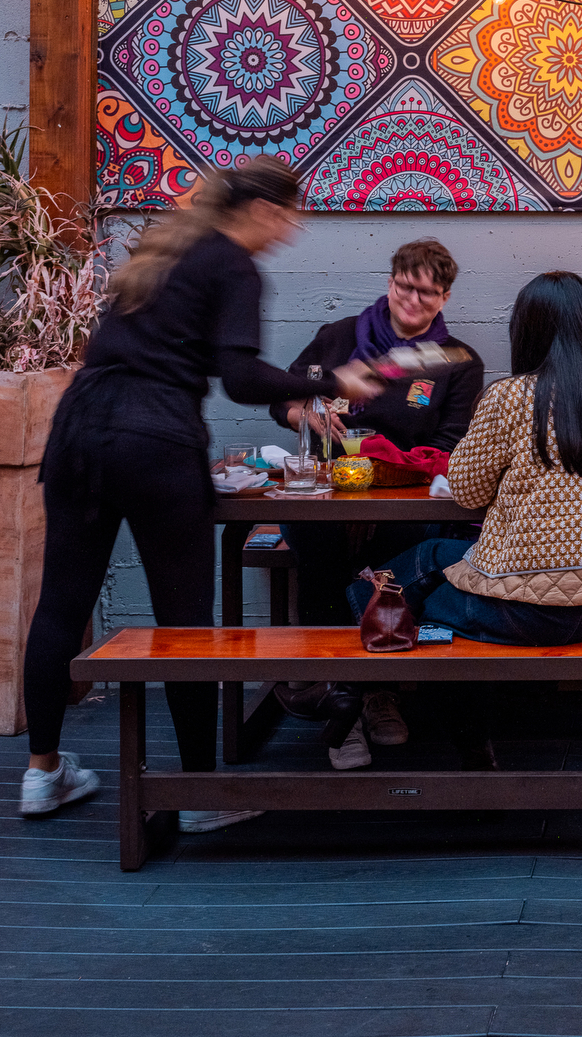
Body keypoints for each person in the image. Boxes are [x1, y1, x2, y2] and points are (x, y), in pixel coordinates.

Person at [19, 158, 383, 829]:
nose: (291, 228)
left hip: (78, 431)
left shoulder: (165, 252)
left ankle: (41, 773)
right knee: (184, 624)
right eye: (288, 214)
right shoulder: (233, 264)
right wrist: (331, 383)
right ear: (260, 211)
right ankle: (195, 796)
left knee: (59, 606)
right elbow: (240, 379)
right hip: (155, 440)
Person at [378, 271, 582, 760]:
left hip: (523, 611)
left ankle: (447, 730)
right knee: (433, 559)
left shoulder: (509, 396)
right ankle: (353, 686)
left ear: (526, 330)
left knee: (426, 592)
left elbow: (469, 491)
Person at [268, 238, 483, 766]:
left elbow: (452, 445)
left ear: (445, 298)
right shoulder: (338, 338)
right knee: (314, 540)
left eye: (427, 294)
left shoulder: (456, 360)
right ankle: (338, 695)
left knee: (396, 556)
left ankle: (376, 692)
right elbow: (282, 394)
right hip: (327, 491)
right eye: (406, 287)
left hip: (406, 502)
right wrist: (305, 417)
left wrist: (386, 468)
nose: (413, 300)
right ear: (390, 283)